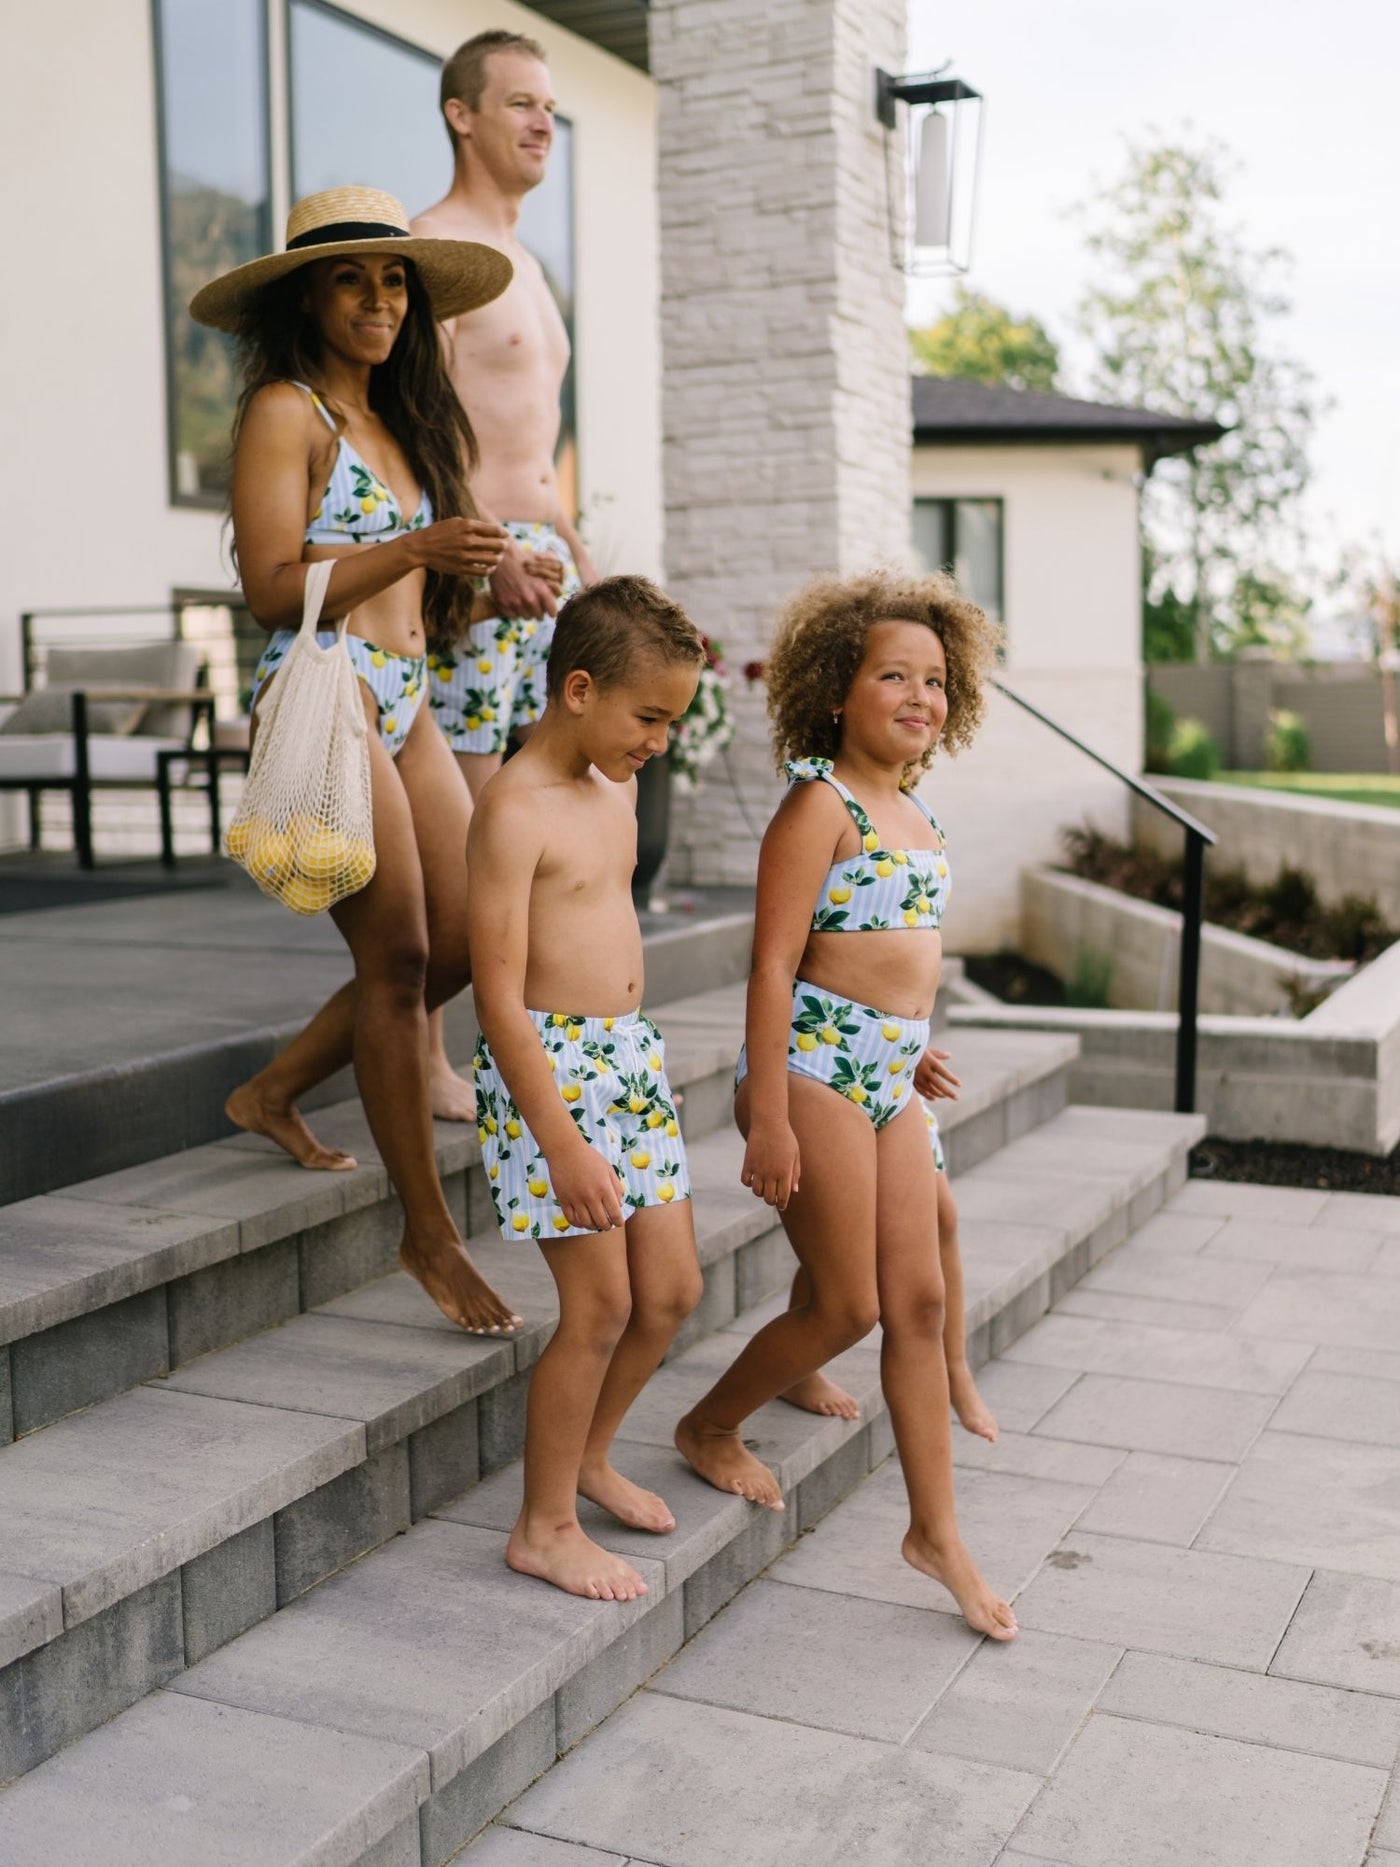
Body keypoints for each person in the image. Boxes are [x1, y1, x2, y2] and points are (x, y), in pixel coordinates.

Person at [190, 185, 523, 1337]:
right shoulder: (289, 412)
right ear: (307, 296)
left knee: (472, 943)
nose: (379, 298)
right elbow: (272, 589)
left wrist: (482, 573)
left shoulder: (400, 417)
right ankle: (424, 1235)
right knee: (397, 961)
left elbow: (412, 576)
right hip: (328, 688)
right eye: (352, 278)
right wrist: (416, 542)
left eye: (394, 280)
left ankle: (273, 1089)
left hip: (407, 697)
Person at [674, 570, 1018, 1641]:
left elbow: (890, 958)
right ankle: (705, 1422)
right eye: (890, 676)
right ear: (834, 690)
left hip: (882, 1072)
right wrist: (767, 1111)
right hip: (809, 1071)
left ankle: (934, 1532)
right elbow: (775, 967)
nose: (917, 694)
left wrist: (908, 1046)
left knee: (915, 1303)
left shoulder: (915, 811)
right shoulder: (815, 805)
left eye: (933, 679)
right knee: (847, 1304)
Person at [468, 577, 706, 1599]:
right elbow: (497, 998)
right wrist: (561, 1140)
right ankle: (543, 1522)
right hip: (548, 1074)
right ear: (576, 689)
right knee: (599, 1304)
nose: (658, 740)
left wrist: (641, 1073)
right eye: (647, 716)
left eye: (671, 721)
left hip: (626, 1063)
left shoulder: (610, 793)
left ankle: (592, 1454)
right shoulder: (514, 807)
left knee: (671, 1292)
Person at [413, 28, 598, 1124]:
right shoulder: (432, 248)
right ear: (461, 114)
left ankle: (526, 1040)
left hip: (549, 575)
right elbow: (421, 429)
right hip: (479, 588)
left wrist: (588, 561)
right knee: (481, 843)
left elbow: (537, 437)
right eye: (518, 102)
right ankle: (436, 1049)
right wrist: (486, 553)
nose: (540, 123)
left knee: (545, 831)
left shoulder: (527, 260)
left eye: (548, 108)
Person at [779, 1050, 1000, 1443]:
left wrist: (911, 1041)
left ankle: (955, 1367)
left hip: (893, 1064)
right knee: (845, 1237)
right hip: (835, 1062)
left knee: (941, 1214)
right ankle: (797, 1371)